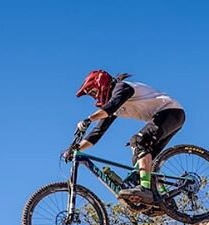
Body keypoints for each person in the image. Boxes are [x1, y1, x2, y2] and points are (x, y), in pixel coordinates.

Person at [71, 69, 185, 205]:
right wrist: (74, 149)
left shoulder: (122, 88)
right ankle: (163, 200)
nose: (95, 97)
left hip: (171, 112)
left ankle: (145, 189)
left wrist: (88, 119)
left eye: (94, 93)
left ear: (101, 84)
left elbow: (109, 109)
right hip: (168, 117)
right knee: (141, 162)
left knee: (138, 141)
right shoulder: (114, 107)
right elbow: (96, 133)